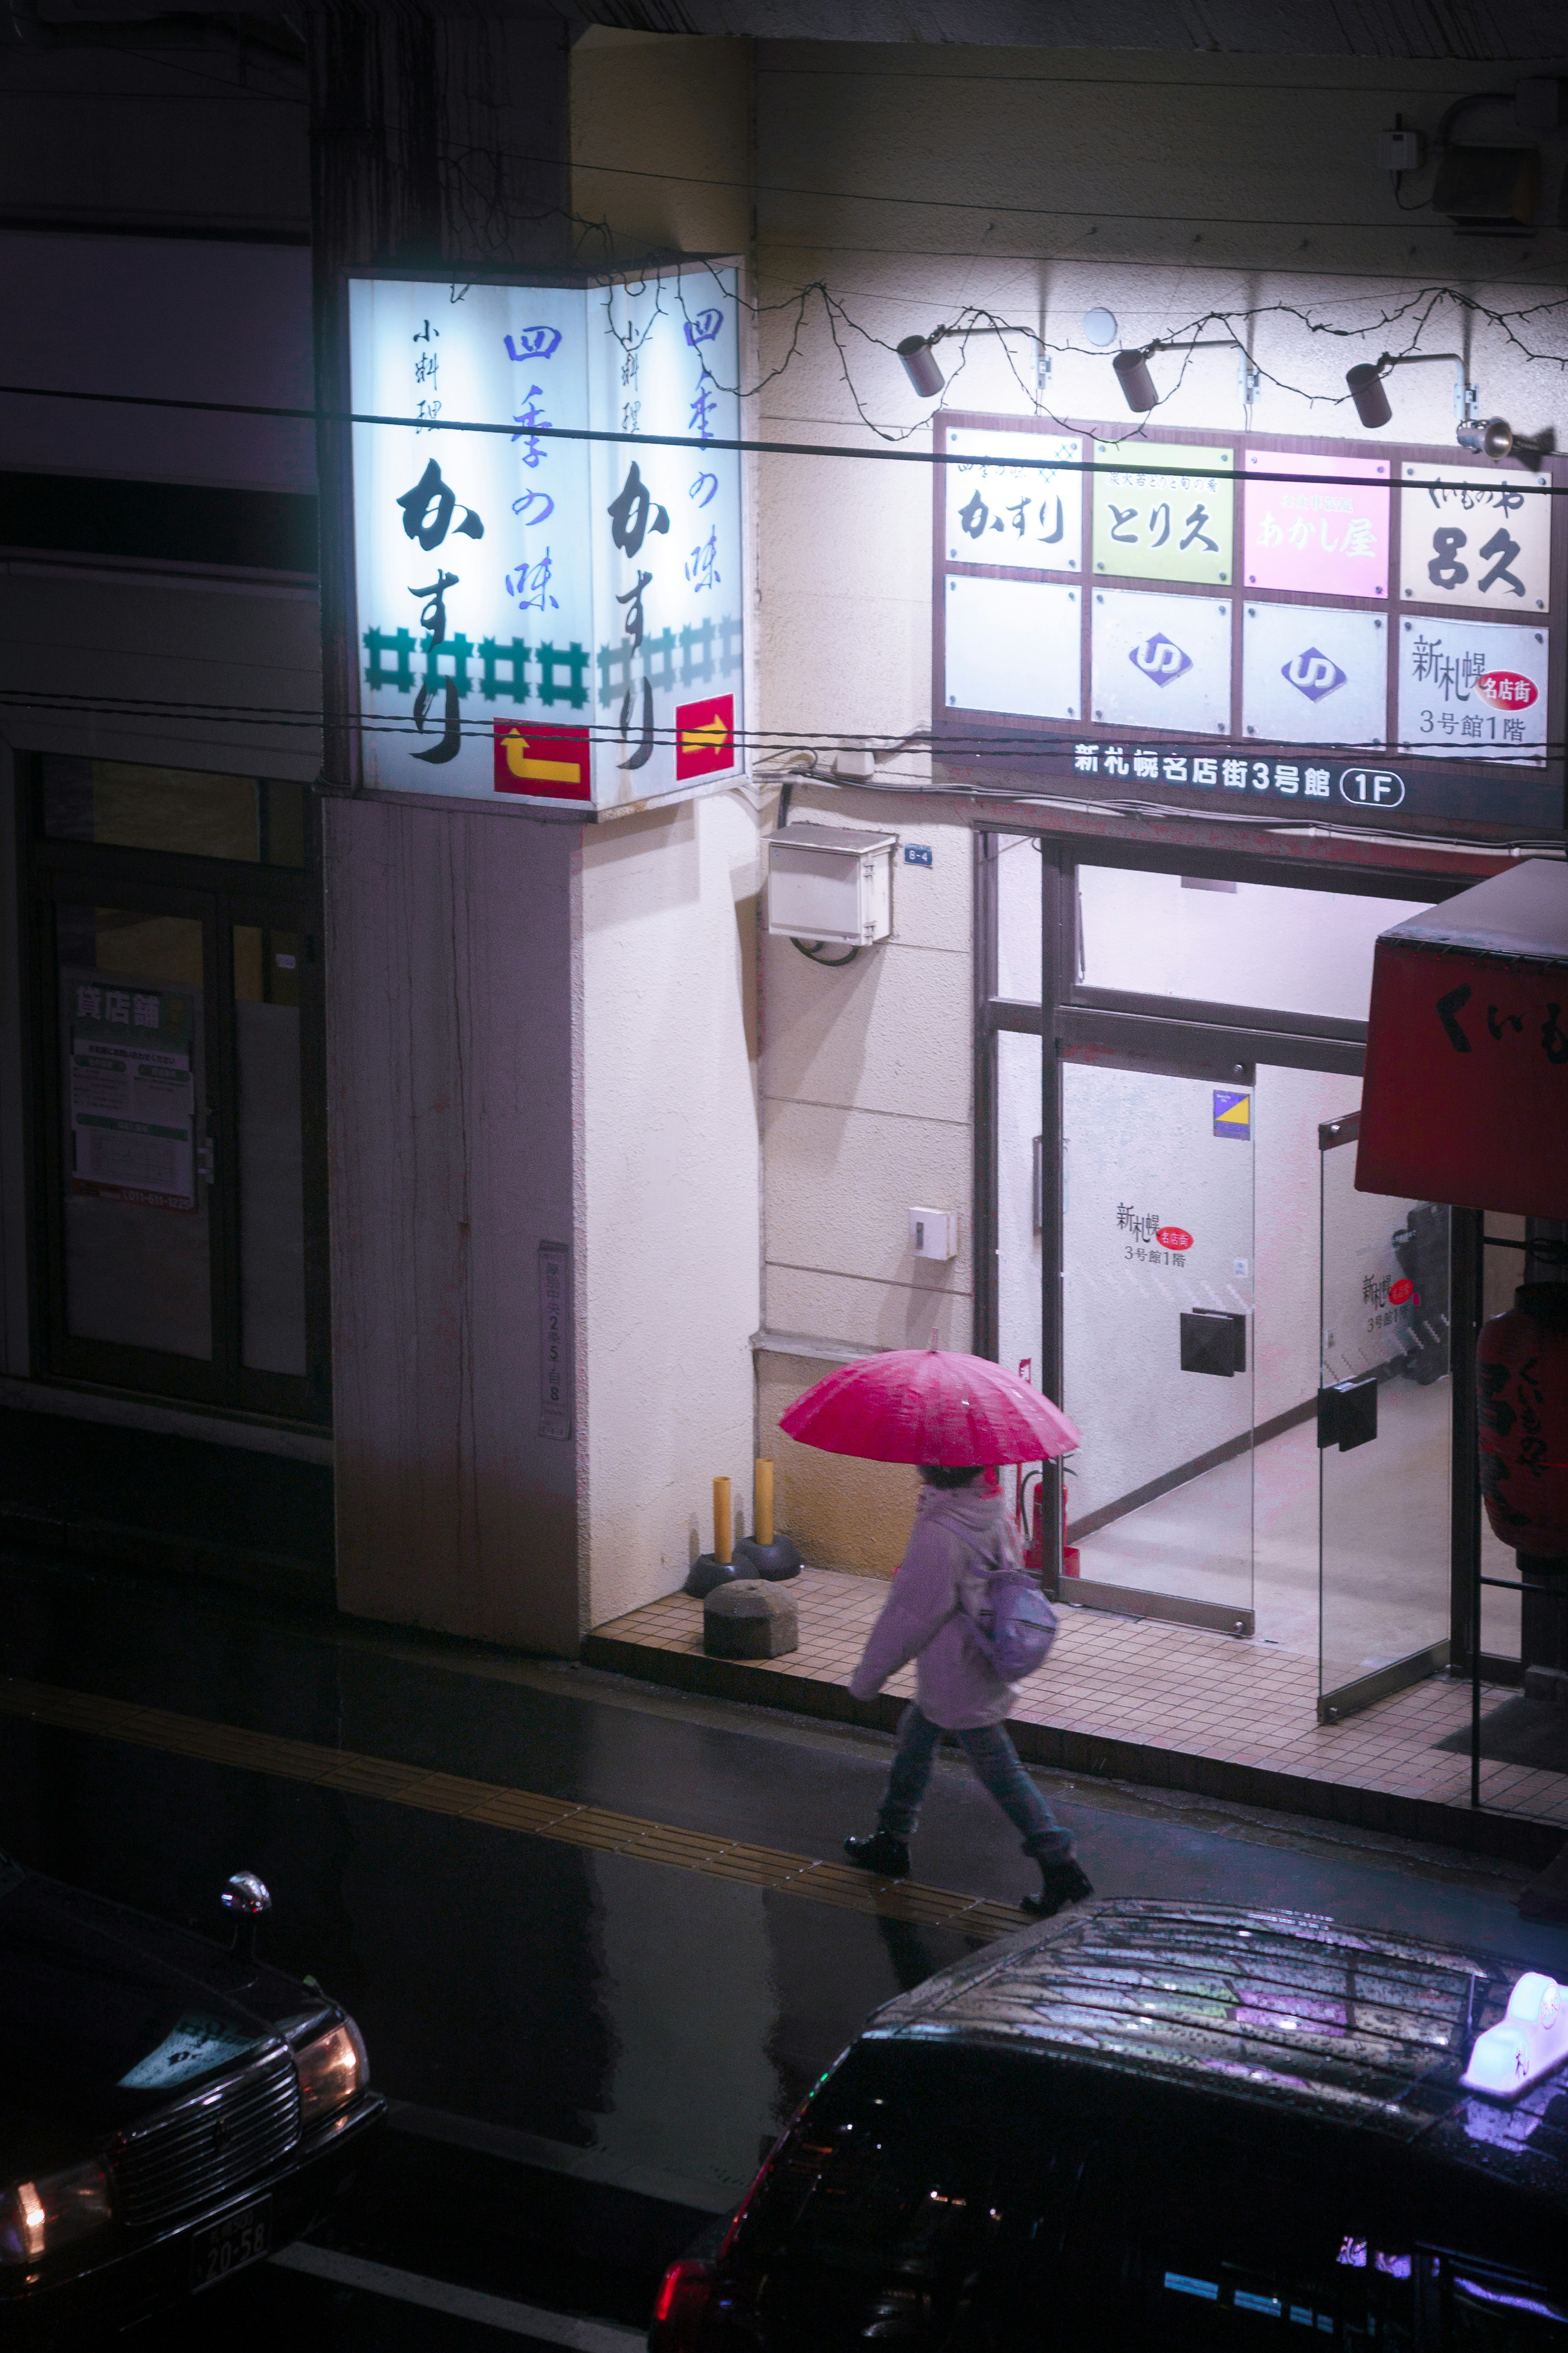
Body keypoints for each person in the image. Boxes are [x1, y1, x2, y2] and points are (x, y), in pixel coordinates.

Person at [842, 1463, 1093, 1919]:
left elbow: (910, 1616)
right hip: (978, 1659)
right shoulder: (991, 1509)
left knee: (997, 1767)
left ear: (932, 1468)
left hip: (955, 1671)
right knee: (915, 1739)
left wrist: (867, 1678)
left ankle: (1060, 1862)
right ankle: (892, 1835)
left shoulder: (940, 1533)